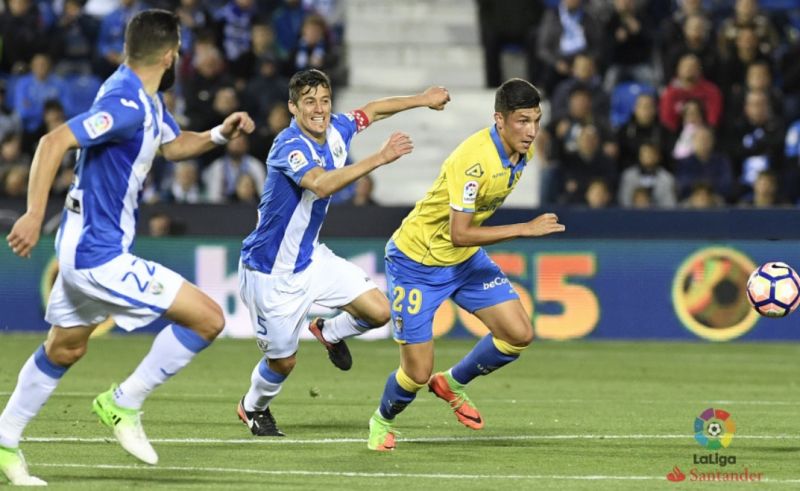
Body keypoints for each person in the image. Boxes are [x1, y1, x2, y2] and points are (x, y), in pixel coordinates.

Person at [0, 9, 255, 485]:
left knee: (65, 349)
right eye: (178, 48)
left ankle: (4, 440)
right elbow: (54, 142)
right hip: (98, 254)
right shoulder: (127, 105)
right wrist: (33, 213)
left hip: (83, 243)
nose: (180, 55)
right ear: (168, 54)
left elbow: (173, 146)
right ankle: (123, 402)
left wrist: (221, 133)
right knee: (208, 318)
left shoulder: (141, 95)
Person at [236, 68, 449, 437]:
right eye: (309, 102)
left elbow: (374, 110)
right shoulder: (289, 146)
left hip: (310, 258)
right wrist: (378, 158)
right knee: (283, 362)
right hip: (270, 273)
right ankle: (253, 407)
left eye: (324, 100)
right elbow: (320, 184)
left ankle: (330, 332)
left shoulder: (337, 128)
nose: (319, 109)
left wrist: (422, 99)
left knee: (380, 311)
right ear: (293, 108)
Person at [365, 79, 565, 452]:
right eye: (522, 121)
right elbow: (460, 232)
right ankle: (381, 421)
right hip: (417, 262)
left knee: (518, 334)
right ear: (499, 120)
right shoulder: (474, 161)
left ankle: (452, 383)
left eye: (536, 120)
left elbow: (462, 240)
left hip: (463, 260)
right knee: (416, 372)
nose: (531, 131)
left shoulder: (525, 152)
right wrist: (525, 228)